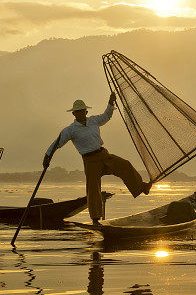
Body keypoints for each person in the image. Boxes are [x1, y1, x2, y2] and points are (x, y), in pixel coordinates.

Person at [43, 93, 151, 224]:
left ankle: (141, 187)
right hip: (90, 161)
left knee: (124, 165)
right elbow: (57, 143)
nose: (80, 113)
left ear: (86, 111)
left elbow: (106, 116)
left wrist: (111, 103)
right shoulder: (70, 130)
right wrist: (47, 156)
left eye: (82, 111)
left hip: (103, 155)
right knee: (93, 189)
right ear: (74, 114)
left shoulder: (93, 120)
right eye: (77, 112)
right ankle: (95, 219)